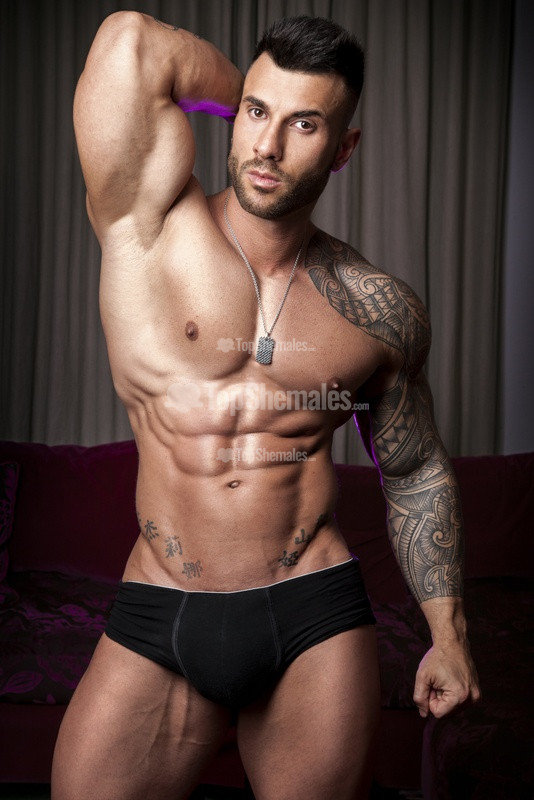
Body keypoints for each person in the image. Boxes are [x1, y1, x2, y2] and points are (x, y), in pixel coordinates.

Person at [51, 12, 480, 800]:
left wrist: (447, 636)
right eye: (256, 113)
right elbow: (129, 43)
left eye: (304, 124)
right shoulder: (147, 229)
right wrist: (251, 90)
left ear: (344, 148)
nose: (268, 146)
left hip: (311, 610)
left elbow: (415, 469)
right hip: (162, 600)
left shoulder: (378, 309)